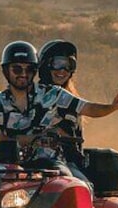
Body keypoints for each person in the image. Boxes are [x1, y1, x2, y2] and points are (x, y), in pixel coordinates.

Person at [0, 40, 118, 175]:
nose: (23, 74)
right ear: (6, 71)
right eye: (17, 69)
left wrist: (111, 107)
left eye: (28, 69)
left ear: (35, 71)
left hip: (49, 165)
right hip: (4, 166)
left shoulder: (53, 94)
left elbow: (89, 108)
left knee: (77, 189)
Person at [37, 39, 89, 184]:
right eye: (58, 63)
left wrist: (112, 106)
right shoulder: (31, 97)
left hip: (65, 164)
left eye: (69, 65)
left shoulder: (73, 101)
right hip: (32, 162)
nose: (63, 70)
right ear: (45, 65)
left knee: (84, 188)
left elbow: (76, 144)